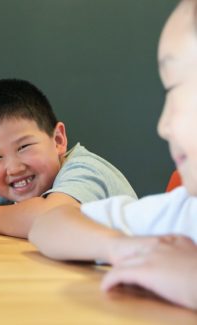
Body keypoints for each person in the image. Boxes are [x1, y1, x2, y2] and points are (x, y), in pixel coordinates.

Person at [29, 0, 197, 310]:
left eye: (173, 90)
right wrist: (123, 247)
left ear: (59, 139)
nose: (163, 126)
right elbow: (46, 226)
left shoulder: (83, 167)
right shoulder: (183, 213)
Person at [0, 78, 137, 238]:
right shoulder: (51, 177)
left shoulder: (85, 170)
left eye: (24, 147)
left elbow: (51, 218)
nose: (14, 168)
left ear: (58, 140)